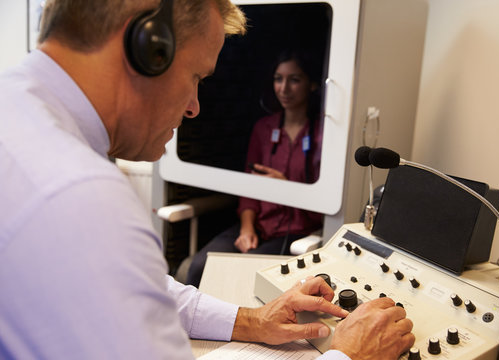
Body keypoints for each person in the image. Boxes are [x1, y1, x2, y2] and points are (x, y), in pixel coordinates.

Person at [0, 0, 414, 359]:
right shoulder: (79, 194)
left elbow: (135, 289)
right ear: (148, 48)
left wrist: (251, 320)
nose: (195, 107)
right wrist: (348, 356)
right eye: (196, 76)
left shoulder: (19, 116)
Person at [186, 50, 324, 287]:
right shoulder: (264, 128)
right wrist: (247, 229)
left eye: (294, 79)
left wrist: (287, 187)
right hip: (258, 225)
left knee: (243, 272)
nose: (284, 88)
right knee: (199, 266)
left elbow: (323, 210)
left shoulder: (322, 134)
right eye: (278, 79)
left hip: (296, 233)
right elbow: (249, 190)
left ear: (312, 84)